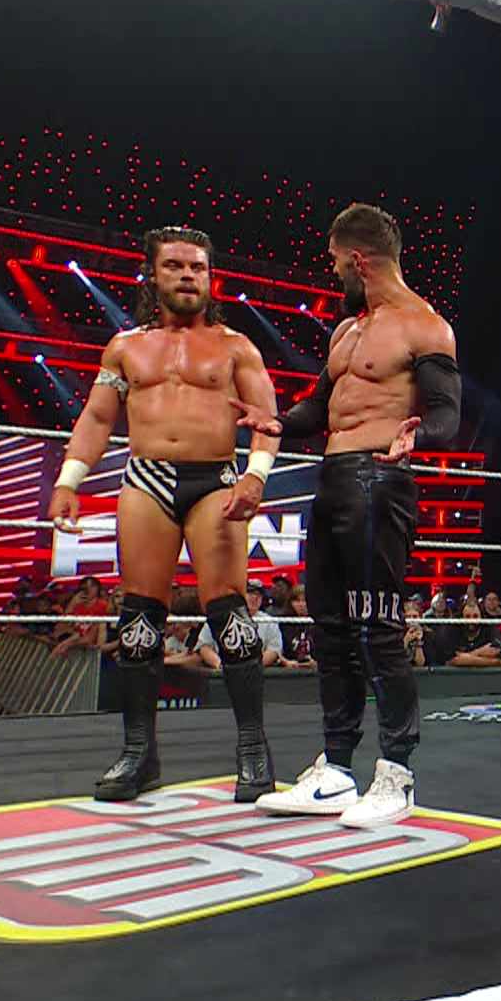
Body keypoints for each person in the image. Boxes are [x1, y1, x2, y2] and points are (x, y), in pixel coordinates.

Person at [235, 203, 460, 830]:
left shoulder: (425, 326)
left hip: (379, 479)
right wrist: (277, 423)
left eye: (336, 263)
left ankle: (397, 774)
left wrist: (420, 434)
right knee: (330, 628)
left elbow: (447, 412)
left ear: (359, 260)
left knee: (377, 628)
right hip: (332, 479)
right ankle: (336, 769)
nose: (334, 274)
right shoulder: (346, 333)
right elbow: (320, 406)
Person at [49, 226, 282, 803]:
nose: (187, 276)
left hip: (215, 480)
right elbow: (97, 418)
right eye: (175, 266)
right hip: (146, 478)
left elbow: (267, 418)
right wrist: (69, 480)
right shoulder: (125, 347)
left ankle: (254, 750)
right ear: (152, 275)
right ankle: (139, 753)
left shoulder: (236, 346)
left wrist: (256, 476)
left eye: (197, 267)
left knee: (229, 611)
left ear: (210, 278)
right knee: (139, 616)